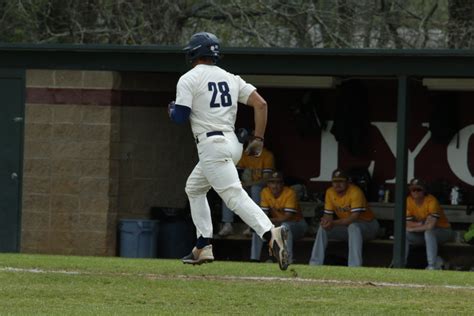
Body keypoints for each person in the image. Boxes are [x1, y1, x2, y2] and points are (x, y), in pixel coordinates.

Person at [167, 32, 289, 270]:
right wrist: (259, 138)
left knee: (233, 196)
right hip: (231, 143)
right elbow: (261, 104)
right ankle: (203, 245)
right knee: (194, 188)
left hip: (212, 145)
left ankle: (269, 233)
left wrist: (171, 110)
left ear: (194, 53)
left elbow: (180, 117)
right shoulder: (231, 78)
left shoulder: (189, 78)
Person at [309, 168, 379, 267]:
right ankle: (315, 263)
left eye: (341, 181)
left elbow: (353, 217)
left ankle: (354, 266)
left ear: (348, 181)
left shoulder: (355, 191)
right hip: (347, 228)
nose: (337, 184)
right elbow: (328, 215)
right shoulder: (330, 192)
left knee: (353, 227)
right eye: (335, 181)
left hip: (368, 226)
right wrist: (326, 222)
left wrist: (333, 223)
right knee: (323, 228)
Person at [218, 144, 275, 237]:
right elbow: (237, 174)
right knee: (230, 190)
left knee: (255, 189)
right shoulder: (245, 154)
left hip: (261, 188)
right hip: (247, 186)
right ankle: (227, 224)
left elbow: (266, 179)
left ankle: (252, 225)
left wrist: (248, 184)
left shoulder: (267, 155)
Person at [251, 171, 307, 263]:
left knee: (285, 226)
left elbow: (287, 217)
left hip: (297, 225)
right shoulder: (265, 192)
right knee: (258, 227)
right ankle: (254, 259)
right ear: (268, 184)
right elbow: (263, 215)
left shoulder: (290, 193)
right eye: (272, 182)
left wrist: (269, 221)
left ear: (282, 184)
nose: (275, 186)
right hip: (277, 224)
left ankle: (287, 260)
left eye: (278, 182)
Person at [404, 178, 454, 270]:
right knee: (404, 234)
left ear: (424, 190)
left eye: (418, 189)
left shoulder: (431, 201)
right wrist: (421, 223)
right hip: (423, 233)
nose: (415, 192)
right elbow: (408, 224)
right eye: (413, 189)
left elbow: (430, 226)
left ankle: (432, 266)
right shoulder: (408, 201)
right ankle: (401, 264)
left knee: (429, 232)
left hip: (444, 231)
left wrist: (413, 227)